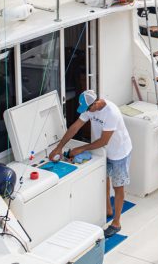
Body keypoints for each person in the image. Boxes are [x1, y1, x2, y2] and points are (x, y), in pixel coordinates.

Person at [49, 90, 133, 237]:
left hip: (120, 152)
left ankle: (116, 223)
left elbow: (104, 141)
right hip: (103, 152)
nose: (87, 112)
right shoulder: (89, 109)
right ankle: (108, 209)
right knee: (104, 179)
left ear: (96, 103)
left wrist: (81, 148)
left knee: (118, 186)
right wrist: (59, 147)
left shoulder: (111, 112)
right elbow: (75, 127)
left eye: (88, 109)